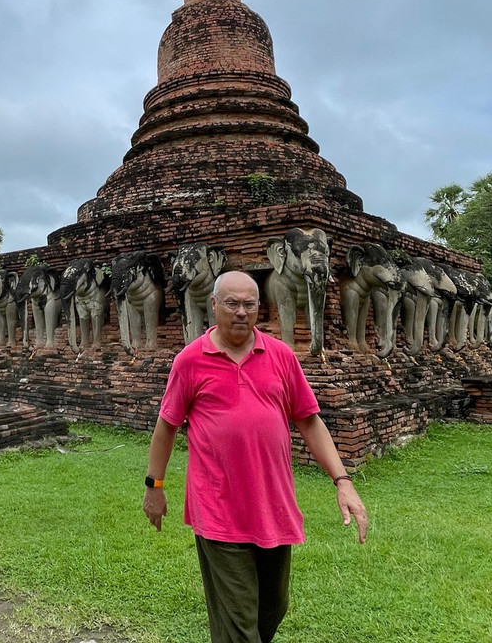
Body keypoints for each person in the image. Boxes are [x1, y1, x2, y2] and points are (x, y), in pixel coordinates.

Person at [142, 271, 367, 643]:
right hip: (218, 507)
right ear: (214, 305)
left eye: (249, 304)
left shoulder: (280, 356)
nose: (241, 312)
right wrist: (155, 486)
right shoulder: (191, 360)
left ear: (260, 307)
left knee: (272, 608)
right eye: (232, 303)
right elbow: (166, 427)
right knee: (239, 623)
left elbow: (309, 421)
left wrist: (343, 481)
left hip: (272, 506)